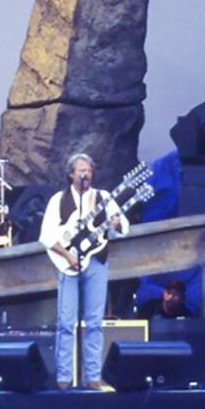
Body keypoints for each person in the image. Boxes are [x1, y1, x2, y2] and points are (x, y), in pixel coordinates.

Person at [39, 153, 128, 390]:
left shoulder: (104, 198)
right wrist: (68, 256)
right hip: (68, 264)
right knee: (66, 322)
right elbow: (46, 236)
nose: (85, 174)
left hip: (96, 263)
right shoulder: (59, 200)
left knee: (95, 322)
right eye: (80, 170)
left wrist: (118, 224)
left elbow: (121, 226)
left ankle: (93, 377)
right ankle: (63, 378)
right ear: (71, 174)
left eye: (88, 170)